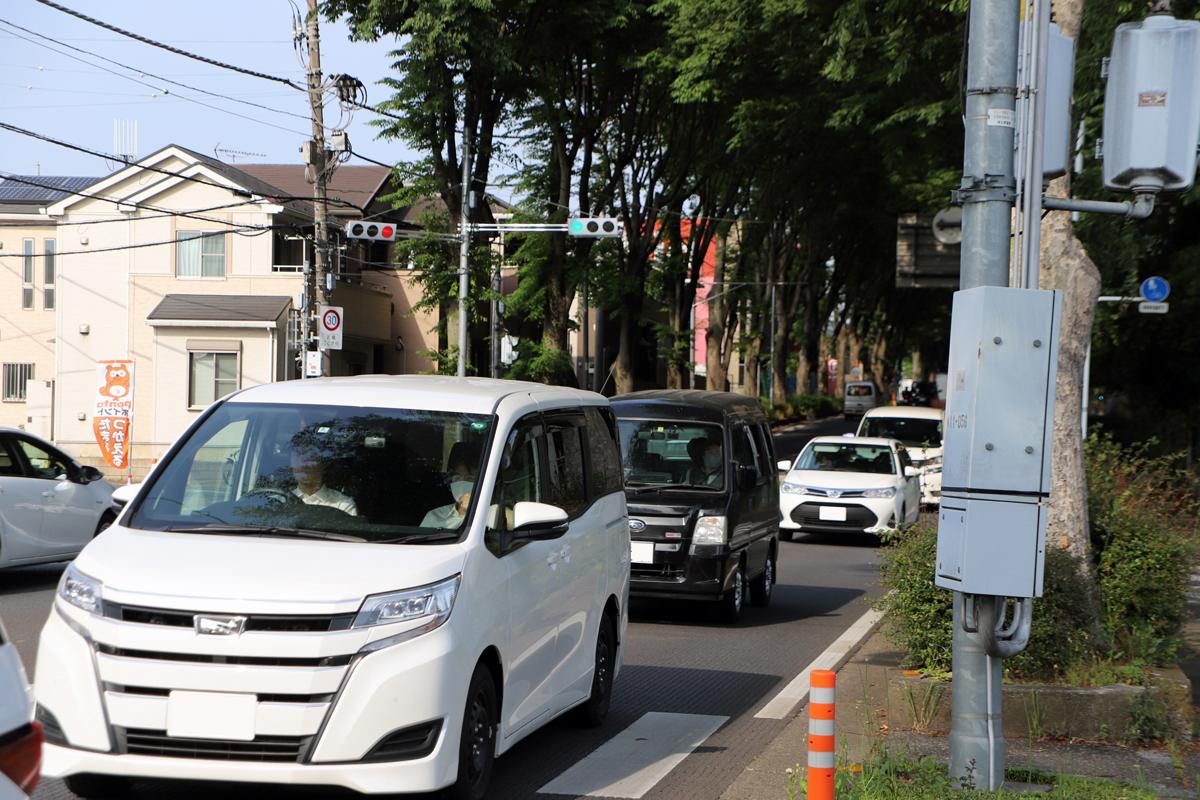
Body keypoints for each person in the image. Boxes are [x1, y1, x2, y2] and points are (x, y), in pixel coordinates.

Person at [420, 442, 481, 529]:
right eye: (457, 478)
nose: (462, 483)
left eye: (469, 478)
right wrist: (461, 513)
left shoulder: (493, 513)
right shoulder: (434, 516)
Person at [290, 448, 358, 516]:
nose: (303, 465)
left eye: (310, 458)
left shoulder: (343, 505)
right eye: (297, 459)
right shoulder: (281, 500)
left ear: (322, 466)